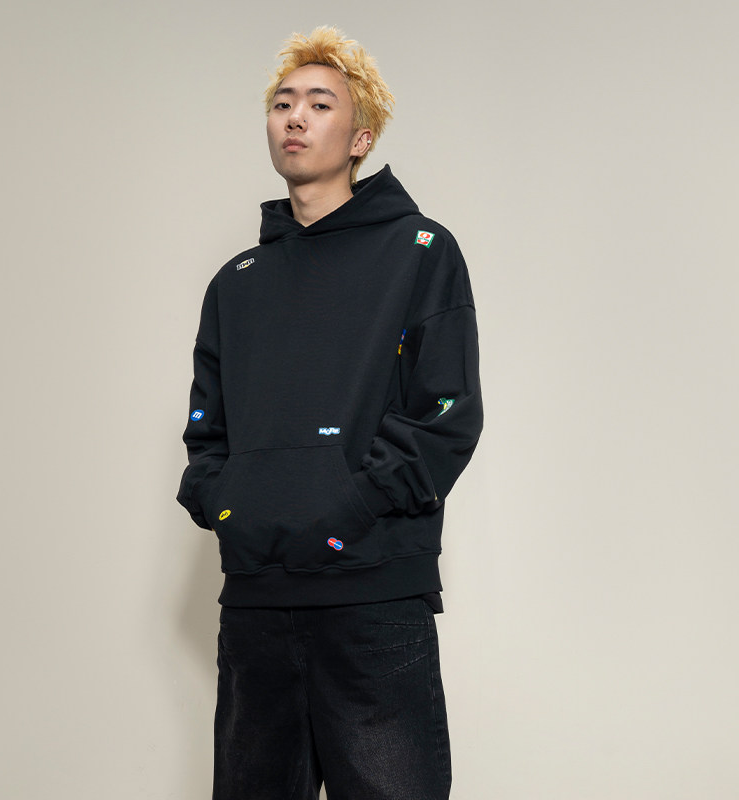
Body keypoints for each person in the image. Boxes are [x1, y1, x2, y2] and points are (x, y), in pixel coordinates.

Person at [177, 26, 483, 800]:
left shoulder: (420, 250)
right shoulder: (236, 283)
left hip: (373, 603)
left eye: (320, 103)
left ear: (361, 137)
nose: (295, 117)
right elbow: (207, 433)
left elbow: (446, 413)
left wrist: (348, 510)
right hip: (256, 604)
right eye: (283, 102)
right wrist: (229, 508)